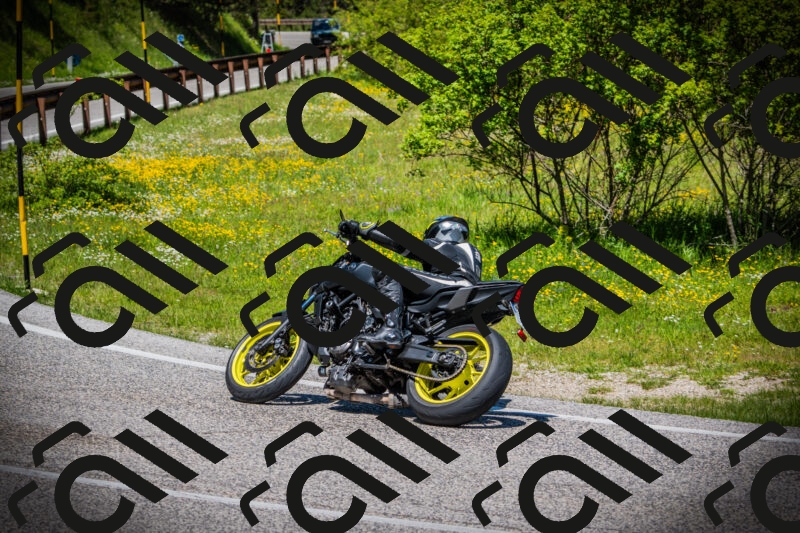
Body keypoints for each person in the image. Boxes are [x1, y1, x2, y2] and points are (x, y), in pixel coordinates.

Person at [337, 216, 482, 349]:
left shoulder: (445, 246)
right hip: (460, 292)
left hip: (454, 284)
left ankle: (391, 329)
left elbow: (403, 244)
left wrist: (364, 229)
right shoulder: (468, 253)